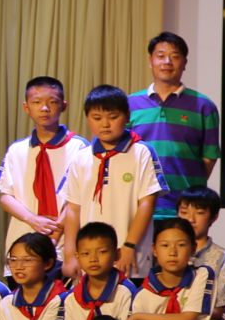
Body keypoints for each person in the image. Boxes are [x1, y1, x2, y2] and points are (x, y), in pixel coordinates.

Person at [127, 31, 222, 241]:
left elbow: (209, 158)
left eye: (175, 56)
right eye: (160, 56)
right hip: (140, 206)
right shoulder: (129, 104)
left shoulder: (204, 106)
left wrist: (186, 185)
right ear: (150, 61)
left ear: (185, 63)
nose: (167, 62)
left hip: (185, 210)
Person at [60, 85, 162, 279]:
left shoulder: (141, 152)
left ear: (127, 116)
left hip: (130, 257)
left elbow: (147, 203)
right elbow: (73, 209)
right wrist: (70, 254)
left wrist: (129, 245)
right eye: (97, 118)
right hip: (90, 260)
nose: (105, 124)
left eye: (113, 117)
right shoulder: (81, 157)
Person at [0, 76, 75, 260]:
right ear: (26, 107)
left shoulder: (80, 148)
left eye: (52, 102)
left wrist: (54, 235)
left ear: (63, 105)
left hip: (64, 245)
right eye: (37, 102)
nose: (44, 108)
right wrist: (32, 219)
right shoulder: (17, 150)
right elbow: (6, 196)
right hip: (22, 242)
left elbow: (77, 199)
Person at [176, 187, 225, 314]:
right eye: (184, 212)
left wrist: (187, 318)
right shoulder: (168, 252)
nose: (190, 219)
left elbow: (221, 308)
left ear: (214, 217)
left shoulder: (224, 258)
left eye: (199, 213)